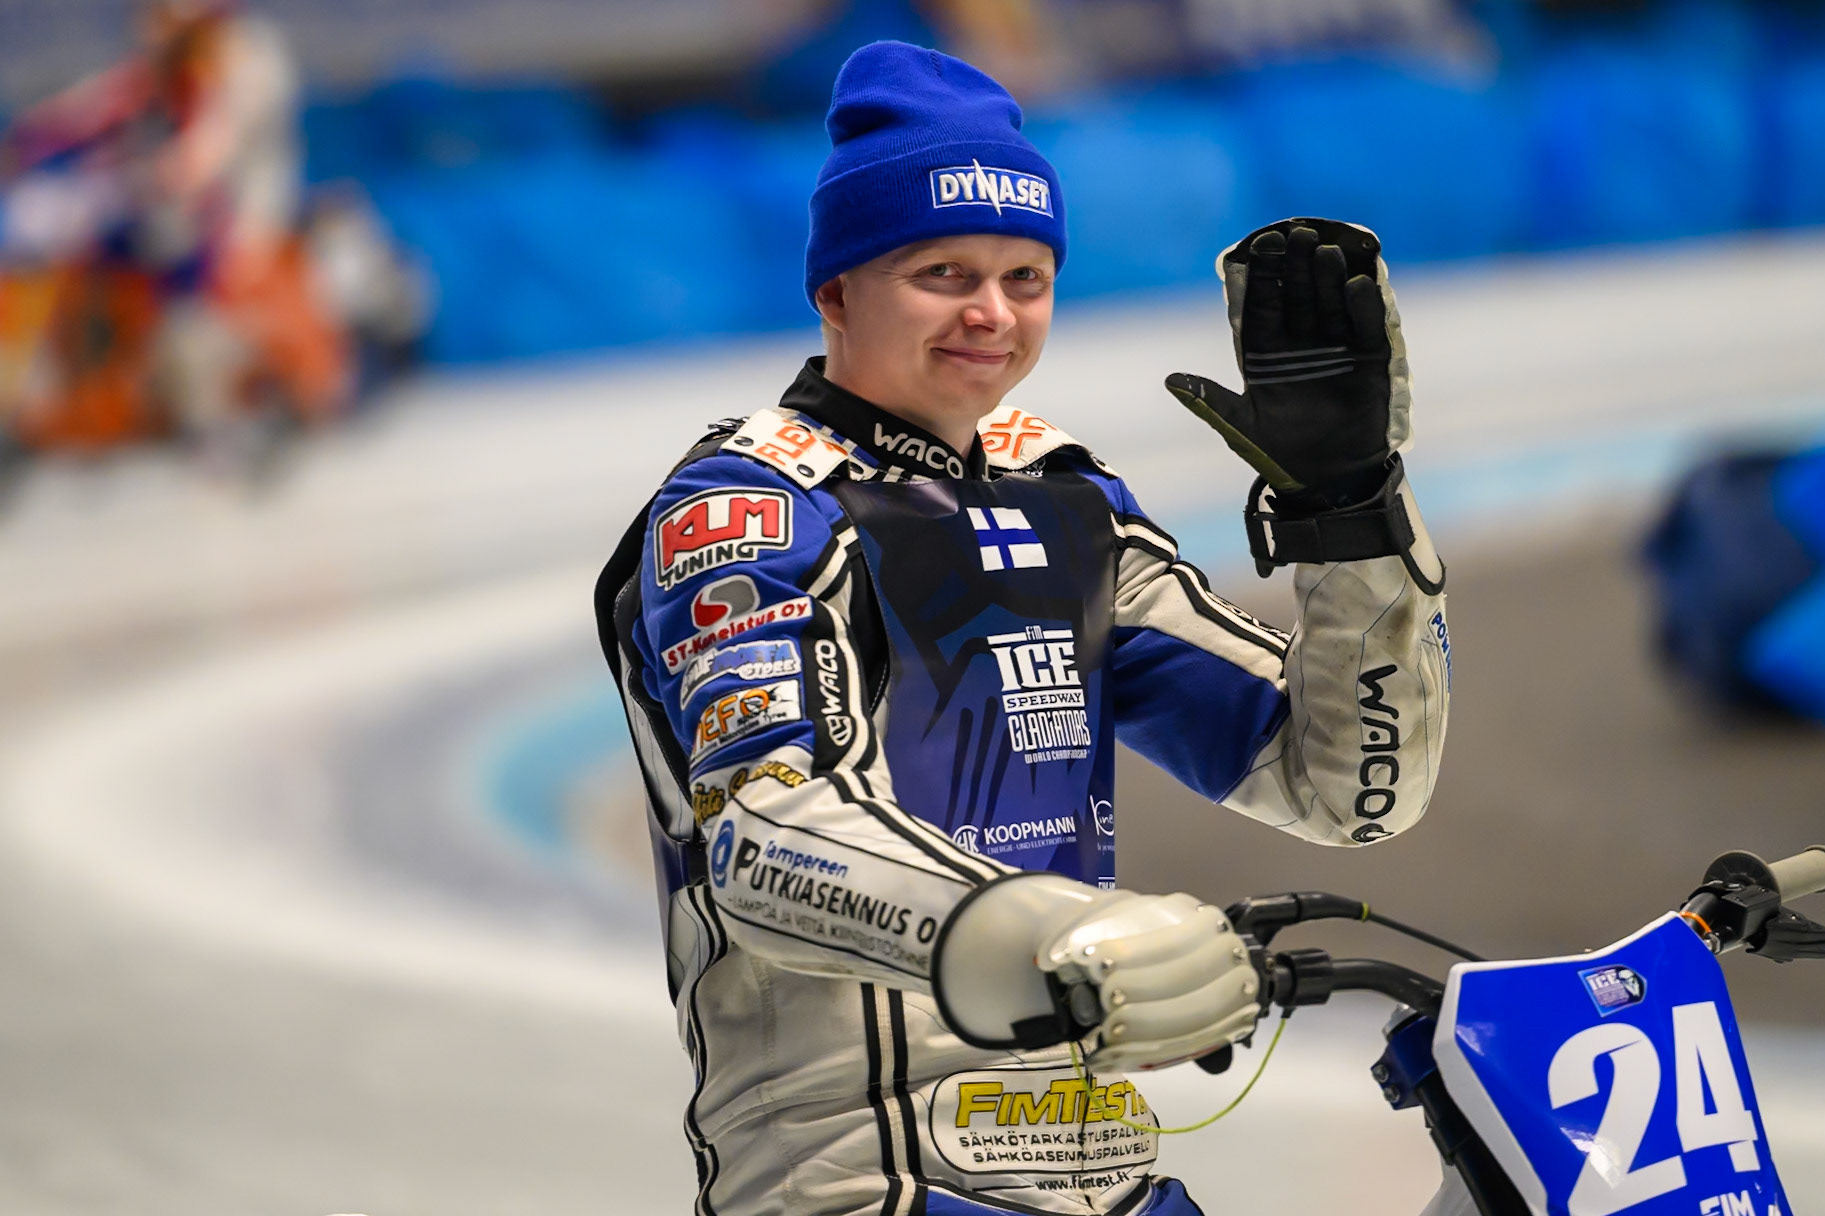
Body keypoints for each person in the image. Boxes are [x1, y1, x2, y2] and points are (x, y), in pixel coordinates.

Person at [596, 40, 1451, 1216]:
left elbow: (1344, 788)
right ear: (835, 289)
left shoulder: (1061, 497)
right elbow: (765, 840)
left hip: (1096, 1155)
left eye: (1025, 277)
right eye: (941, 272)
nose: (990, 314)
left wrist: (1347, 518)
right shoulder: (744, 509)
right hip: (861, 1173)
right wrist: (1066, 935)